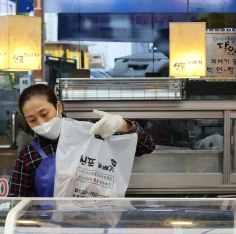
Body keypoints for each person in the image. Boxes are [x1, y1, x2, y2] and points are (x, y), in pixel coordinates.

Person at [9, 84, 156, 197]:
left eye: (45, 114)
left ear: (58, 106)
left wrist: (124, 125)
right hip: (53, 232)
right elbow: (17, 204)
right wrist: (41, 227)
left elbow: (147, 146)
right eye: (32, 120)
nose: (41, 123)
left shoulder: (93, 133)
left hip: (103, 229)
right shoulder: (28, 155)